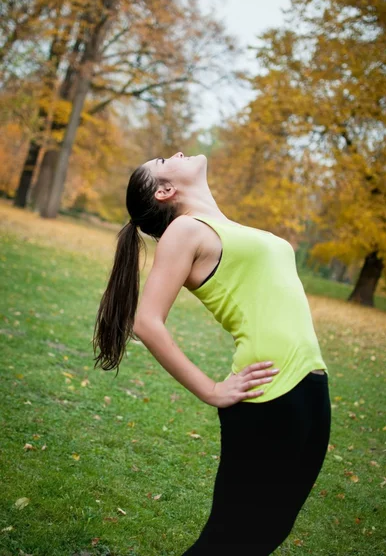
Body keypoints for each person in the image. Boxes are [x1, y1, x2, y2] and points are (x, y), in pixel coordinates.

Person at [93, 152, 331, 555]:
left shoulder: (223, 226)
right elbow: (147, 322)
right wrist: (210, 390)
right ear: (165, 190)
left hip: (310, 387)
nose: (179, 152)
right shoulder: (185, 230)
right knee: (231, 537)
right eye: (166, 159)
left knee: (266, 534)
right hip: (266, 395)